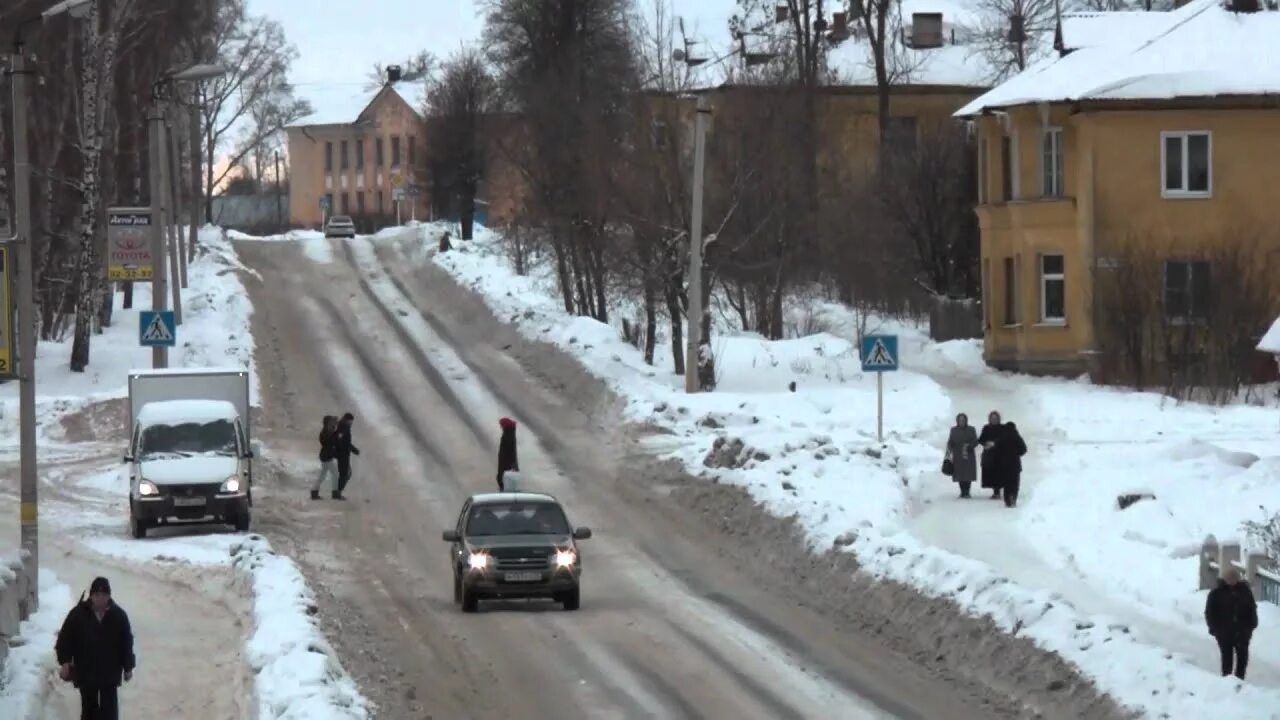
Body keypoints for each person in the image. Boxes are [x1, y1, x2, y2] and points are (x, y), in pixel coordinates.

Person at [55, 577, 135, 720]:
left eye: (104, 596)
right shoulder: (78, 614)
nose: (100, 599)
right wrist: (65, 662)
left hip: (110, 673)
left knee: (109, 712)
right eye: (96, 595)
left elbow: (126, 643)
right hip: (86, 672)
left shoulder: (119, 616)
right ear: (91, 596)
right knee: (88, 711)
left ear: (109, 596)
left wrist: (128, 667)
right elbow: (65, 639)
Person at [1205, 566, 1258, 679]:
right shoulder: (1216, 593)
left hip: (1242, 632)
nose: (1232, 581)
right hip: (1224, 633)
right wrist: (1214, 629)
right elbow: (1210, 613)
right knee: (1227, 659)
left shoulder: (1245, 591)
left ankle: (1239, 680)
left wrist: (1252, 625)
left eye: (1234, 579)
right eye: (1229, 579)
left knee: (1242, 659)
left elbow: (1251, 608)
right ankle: (1227, 681)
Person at [946, 413, 979, 498]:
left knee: (968, 473)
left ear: (966, 421)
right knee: (959, 473)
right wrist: (950, 449)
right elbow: (950, 441)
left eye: (963, 420)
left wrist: (970, 446)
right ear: (957, 421)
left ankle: (967, 491)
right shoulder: (953, 430)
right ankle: (962, 491)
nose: (962, 422)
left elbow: (975, 441)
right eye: (960, 420)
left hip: (969, 454)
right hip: (958, 455)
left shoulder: (971, 429)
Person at [997, 421, 1028, 508]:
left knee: (1007, 484)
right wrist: (1016, 454)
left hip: (1004, 465)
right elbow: (1024, 449)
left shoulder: (1002, 438)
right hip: (1015, 464)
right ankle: (1013, 498)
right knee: (1015, 484)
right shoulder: (1017, 437)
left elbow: (997, 450)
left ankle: (1007, 500)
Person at [332, 412, 360, 500]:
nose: (351, 423)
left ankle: (337, 492)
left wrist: (353, 449)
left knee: (346, 473)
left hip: (344, 453)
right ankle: (337, 493)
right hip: (342, 454)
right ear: (347, 420)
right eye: (351, 421)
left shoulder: (343, 427)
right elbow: (339, 440)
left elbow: (345, 442)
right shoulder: (343, 427)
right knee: (345, 474)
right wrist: (341, 450)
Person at [977, 411, 1004, 499]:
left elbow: (1005, 439)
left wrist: (995, 443)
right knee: (990, 473)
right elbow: (980, 439)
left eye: (995, 418)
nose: (994, 420)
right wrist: (986, 443)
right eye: (992, 418)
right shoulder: (986, 428)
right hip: (989, 454)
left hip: (999, 454)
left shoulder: (1003, 428)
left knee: (999, 473)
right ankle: (994, 491)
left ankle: (998, 491)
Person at [311, 415, 339, 500]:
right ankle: (335, 493)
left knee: (323, 475)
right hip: (326, 457)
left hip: (326, 456)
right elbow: (330, 442)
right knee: (335, 474)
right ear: (327, 423)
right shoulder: (325, 433)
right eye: (331, 422)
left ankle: (314, 492)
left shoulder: (328, 431)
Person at [497, 417, 519, 491]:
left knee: (505, 484)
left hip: (506, 466)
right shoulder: (510, 434)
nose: (501, 427)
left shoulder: (508, 436)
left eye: (501, 425)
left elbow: (509, 452)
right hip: (507, 465)